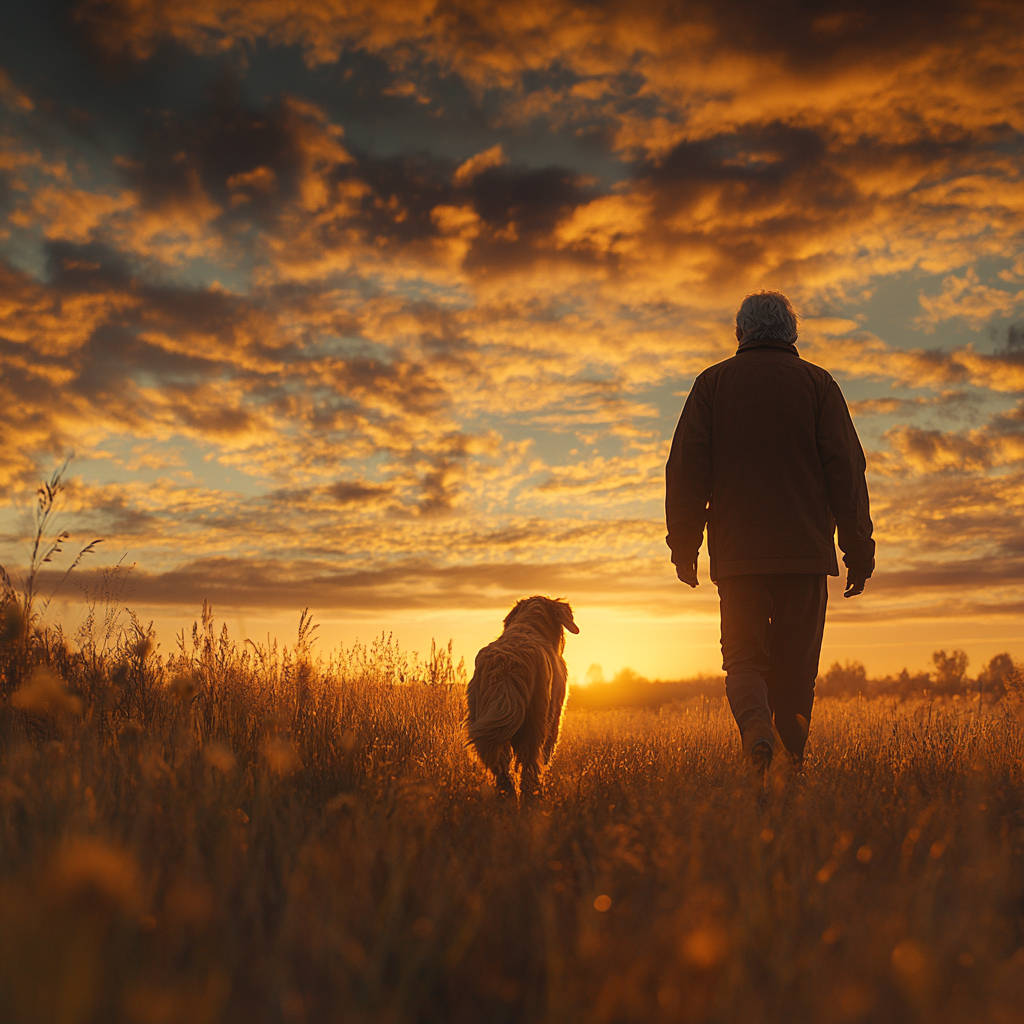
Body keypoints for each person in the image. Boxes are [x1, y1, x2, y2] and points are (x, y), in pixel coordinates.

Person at [665, 291, 874, 775]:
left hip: (740, 557)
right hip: (805, 555)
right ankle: (790, 768)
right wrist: (858, 550)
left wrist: (684, 546)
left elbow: (686, 471)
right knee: (797, 672)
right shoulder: (819, 385)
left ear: (741, 334)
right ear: (791, 333)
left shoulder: (712, 385)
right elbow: (847, 472)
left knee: (743, 661)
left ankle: (757, 731)